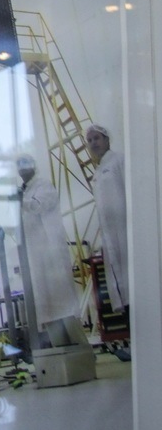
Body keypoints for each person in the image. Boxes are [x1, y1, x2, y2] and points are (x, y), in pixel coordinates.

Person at [17, 155, 81, 347]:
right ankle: (61, 348)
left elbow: (39, 206)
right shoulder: (23, 192)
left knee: (63, 301)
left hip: (51, 252)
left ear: (34, 166)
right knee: (47, 306)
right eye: (19, 165)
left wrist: (20, 201)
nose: (22, 168)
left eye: (26, 163)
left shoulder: (43, 185)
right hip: (35, 255)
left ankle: (80, 347)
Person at [86, 124, 129, 317]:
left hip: (125, 229)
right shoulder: (98, 172)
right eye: (90, 140)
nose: (93, 143)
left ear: (106, 139)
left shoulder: (119, 160)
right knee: (120, 283)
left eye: (97, 138)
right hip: (110, 235)